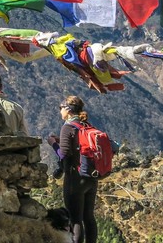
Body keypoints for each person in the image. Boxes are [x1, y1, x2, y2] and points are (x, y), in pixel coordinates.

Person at [49, 96, 98, 243]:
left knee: (75, 219)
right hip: (91, 176)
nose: (60, 111)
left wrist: (52, 143)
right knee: (88, 217)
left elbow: (63, 154)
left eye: (61, 108)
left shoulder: (68, 126)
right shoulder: (85, 125)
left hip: (74, 178)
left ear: (68, 109)